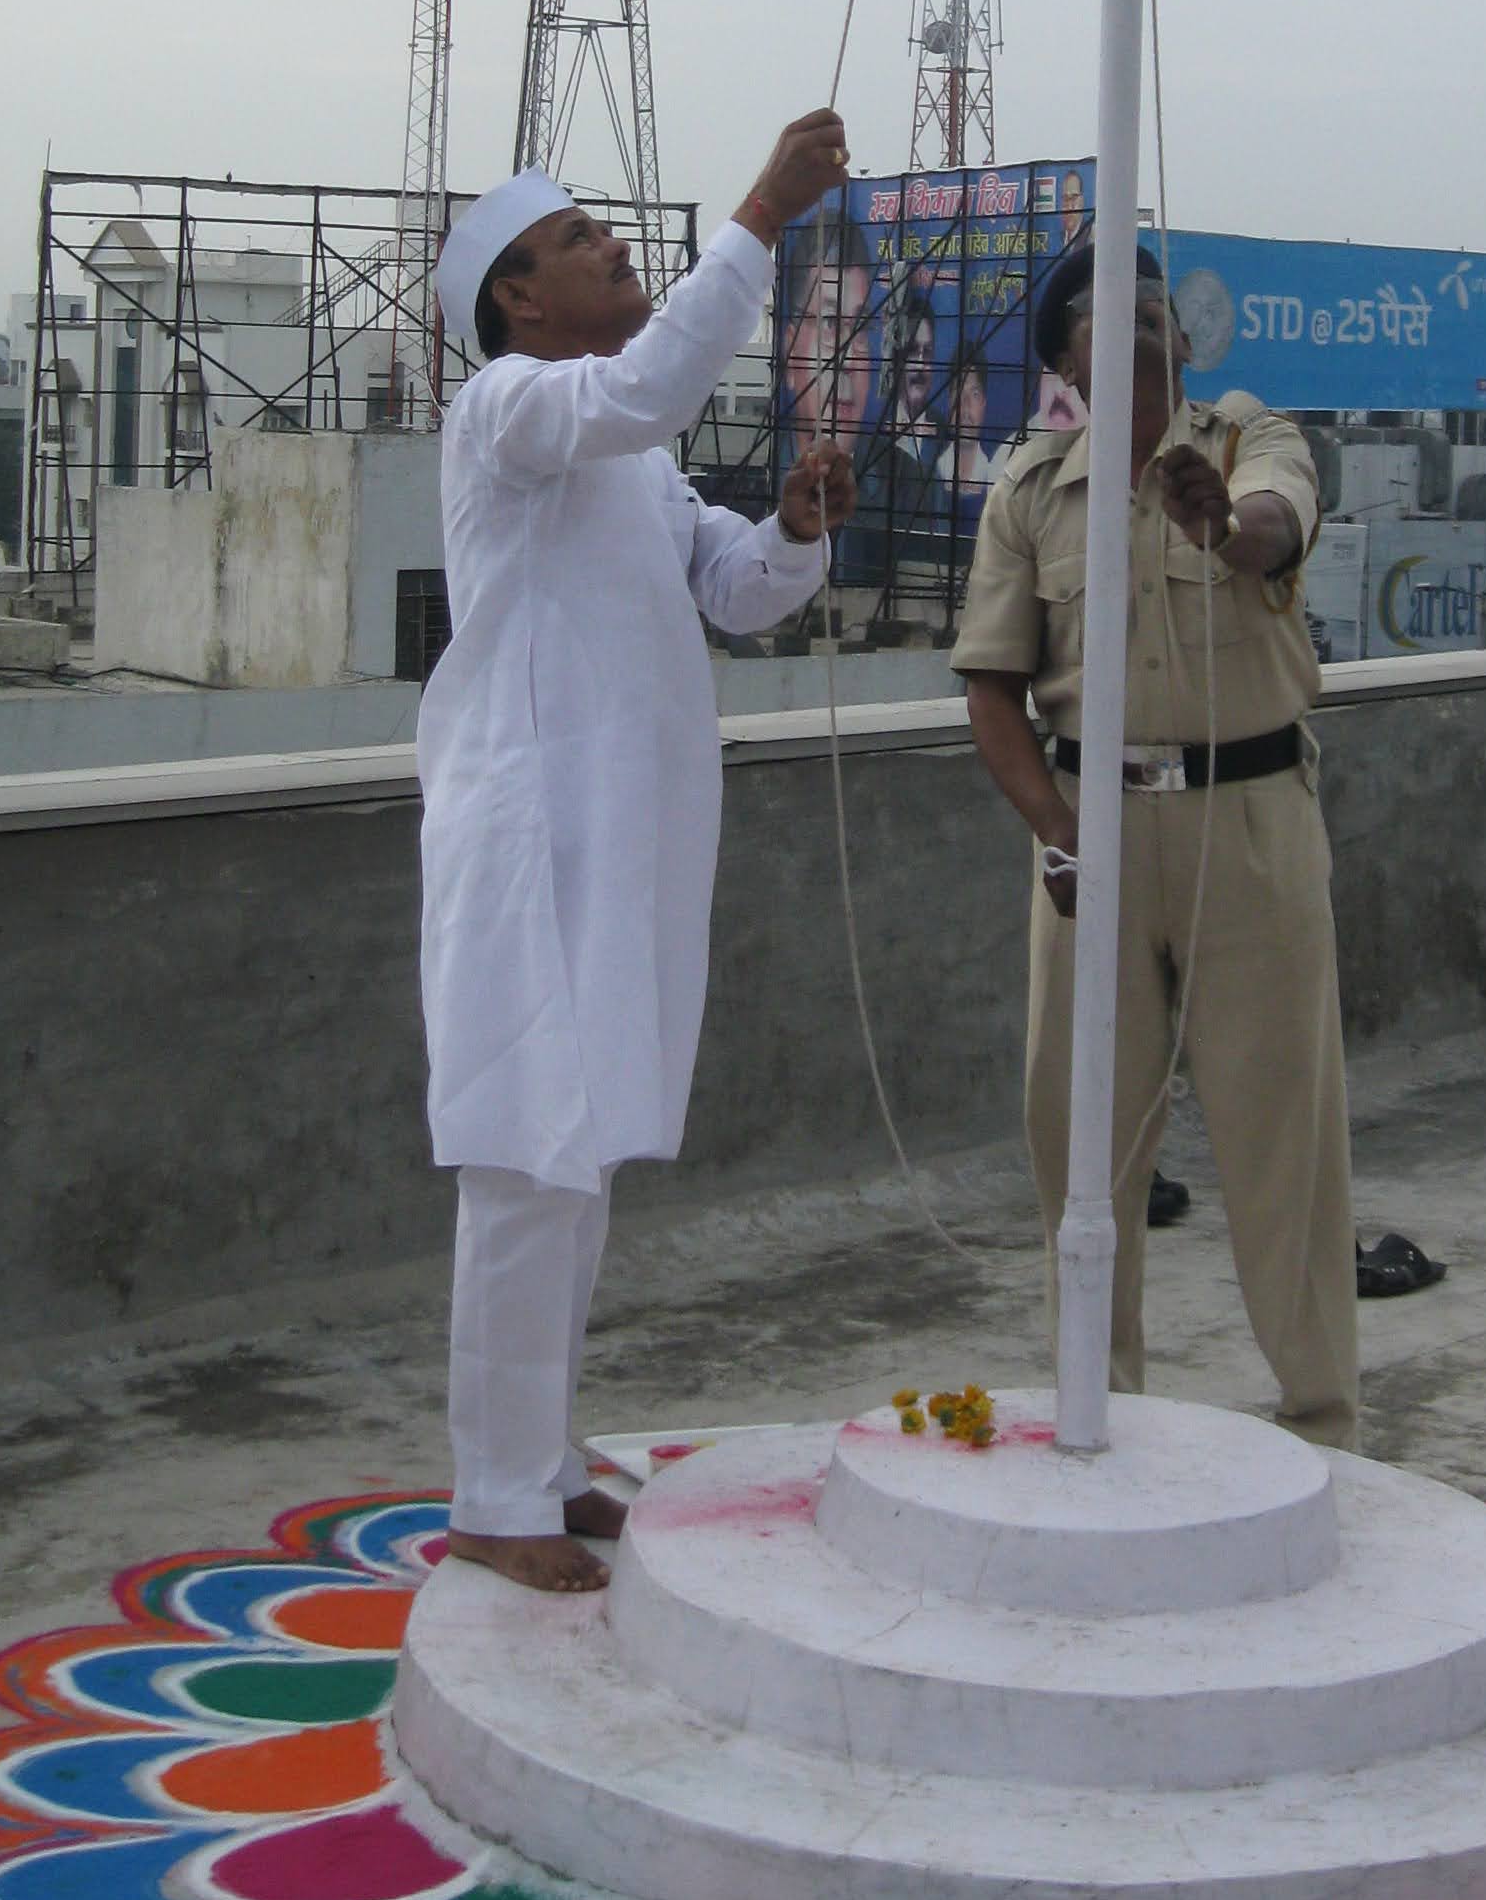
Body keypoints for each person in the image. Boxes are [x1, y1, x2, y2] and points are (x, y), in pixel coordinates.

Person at [418, 117, 857, 1594]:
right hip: (527, 842)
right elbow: (651, 381)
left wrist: (792, 529)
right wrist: (765, 211)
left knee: (580, 1156)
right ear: (520, 300)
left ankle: (542, 1469)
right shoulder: (509, 407)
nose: (612, 248)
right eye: (578, 241)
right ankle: (494, 1498)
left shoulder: (630, 457)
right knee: (522, 1159)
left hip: (612, 847)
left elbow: (733, 590)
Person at [952, 238, 1360, 1453]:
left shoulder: (1246, 440)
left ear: (1182, 341)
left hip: (1251, 823)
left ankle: (1323, 1425)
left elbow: (1275, 521)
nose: (1130, 324)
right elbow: (992, 686)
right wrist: (1057, 832)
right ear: (1066, 361)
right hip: (1093, 832)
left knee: (1282, 1139)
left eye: (1150, 309)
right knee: (1081, 1141)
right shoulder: (1032, 490)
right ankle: (1098, 1411)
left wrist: (1223, 525)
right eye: (1101, 314)